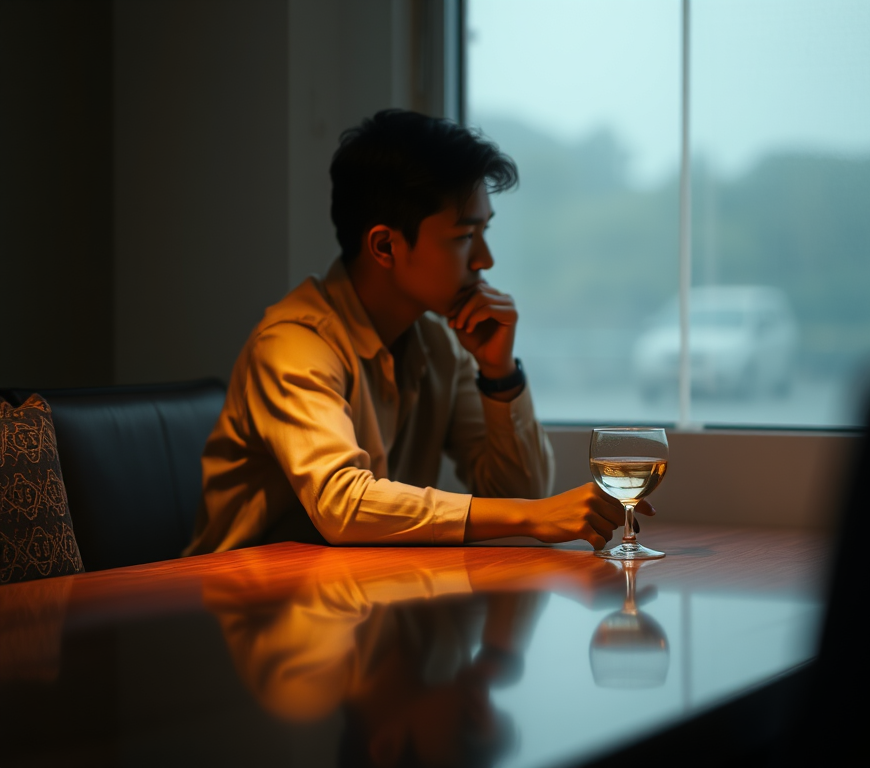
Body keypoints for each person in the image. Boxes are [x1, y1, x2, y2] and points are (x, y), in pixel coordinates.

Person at [185, 109, 652, 556]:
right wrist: (530, 517)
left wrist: (499, 375)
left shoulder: (436, 344)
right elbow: (342, 505)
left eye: (484, 231)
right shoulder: (293, 343)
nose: (485, 259)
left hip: (353, 601)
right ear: (385, 245)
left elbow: (521, 494)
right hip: (239, 613)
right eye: (464, 236)